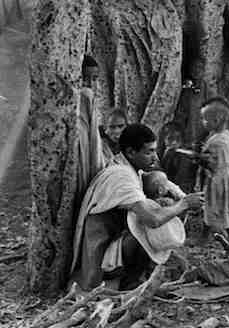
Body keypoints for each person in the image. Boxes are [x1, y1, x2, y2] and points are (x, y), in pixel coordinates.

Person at [71, 124, 205, 290]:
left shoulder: (130, 167)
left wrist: (182, 196)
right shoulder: (122, 177)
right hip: (101, 255)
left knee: (165, 207)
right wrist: (184, 204)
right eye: (149, 152)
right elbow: (153, 220)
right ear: (131, 152)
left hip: (115, 241)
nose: (155, 157)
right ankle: (129, 283)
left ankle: (136, 278)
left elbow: (162, 182)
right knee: (152, 229)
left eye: (154, 151)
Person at [199, 97, 229, 237]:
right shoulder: (225, 135)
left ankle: (208, 235)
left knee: (213, 206)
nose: (202, 122)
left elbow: (215, 164)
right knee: (225, 206)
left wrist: (200, 159)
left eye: (205, 119)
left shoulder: (219, 142)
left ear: (216, 120)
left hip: (217, 180)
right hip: (224, 177)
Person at [75, 56, 107, 199]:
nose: (90, 83)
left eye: (94, 78)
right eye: (85, 78)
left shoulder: (90, 101)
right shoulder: (83, 97)